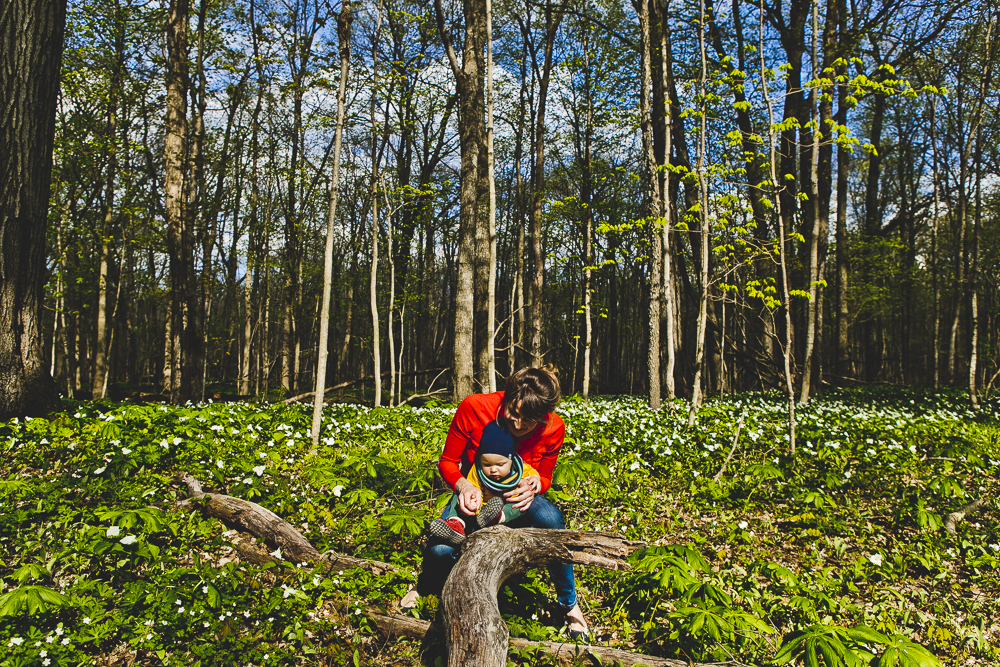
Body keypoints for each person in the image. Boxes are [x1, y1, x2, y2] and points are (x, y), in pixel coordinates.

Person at [399, 365, 589, 639]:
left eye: (530, 420)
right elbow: (448, 462)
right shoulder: (474, 407)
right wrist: (462, 485)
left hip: (515, 500)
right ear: (507, 395)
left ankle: (569, 605)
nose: (519, 424)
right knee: (440, 550)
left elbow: (545, 477)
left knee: (551, 519)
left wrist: (536, 485)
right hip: (475, 493)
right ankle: (425, 586)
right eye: (514, 412)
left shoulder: (553, 427)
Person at [427, 420, 540, 544]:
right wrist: (473, 504)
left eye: (500, 464)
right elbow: (473, 487)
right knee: (459, 495)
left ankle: (499, 518)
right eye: (487, 464)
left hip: (504, 506)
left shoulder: (521, 468)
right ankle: (456, 523)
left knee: (521, 504)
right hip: (480, 506)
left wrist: (535, 480)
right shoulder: (477, 469)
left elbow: (533, 475)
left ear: (511, 460)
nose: (493, 469)